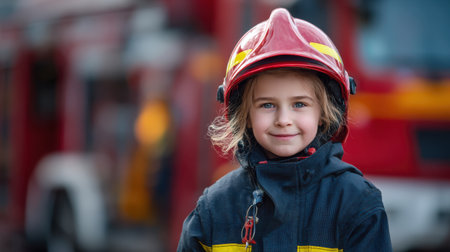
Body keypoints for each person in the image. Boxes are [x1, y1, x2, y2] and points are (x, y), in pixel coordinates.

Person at [177, 8, 392, 252]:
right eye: (267, 105)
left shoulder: (356, 203)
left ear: (324, 113)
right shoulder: (215, 207)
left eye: (299, 104)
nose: (283, 119)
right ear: (244, 115)